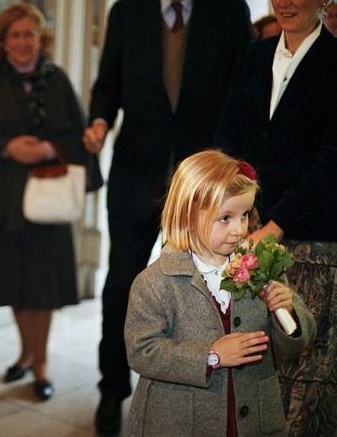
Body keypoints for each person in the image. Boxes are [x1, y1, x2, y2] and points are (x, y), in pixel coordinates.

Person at [81, 1, 253, 434]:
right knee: (122, 284)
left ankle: (188, 383)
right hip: (137, 177)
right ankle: (112, 389)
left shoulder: (230, 12)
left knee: (194, 289)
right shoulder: (126, 12)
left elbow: (243, 92)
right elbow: (107, 86)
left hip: (203, 190)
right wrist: (99, 121)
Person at [0, 3, 102, 401]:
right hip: (4, 200)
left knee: (43, 286)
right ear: (3, 40)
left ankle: (42, 362)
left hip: (48, 202)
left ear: (40, 38)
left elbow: (77, 135)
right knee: (15, 283)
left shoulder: (59, 80)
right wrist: (9, 148)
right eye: (14, 35)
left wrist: (49, 146)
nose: (22, 42)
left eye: (29, 34)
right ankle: (26, 352)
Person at [125, 150, 316, 437]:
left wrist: (287, 312)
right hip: (182, 422)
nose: (239, 230)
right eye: (225, 218)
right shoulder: (155, 282)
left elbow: (292, 347)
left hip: (253, 420)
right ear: (188, 215)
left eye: (245, 215)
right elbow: (142, 352)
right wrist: (210, 355)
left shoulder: (261, 266)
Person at [215, 1, 337, 435]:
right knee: (254, 366)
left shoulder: (336, 61)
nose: (285, 2)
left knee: (307, 373)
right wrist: (238, 215)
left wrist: (274, 226)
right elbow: (227, 136)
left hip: (311, 239)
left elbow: (331, 160)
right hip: (246, 230)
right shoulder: (252, 55)